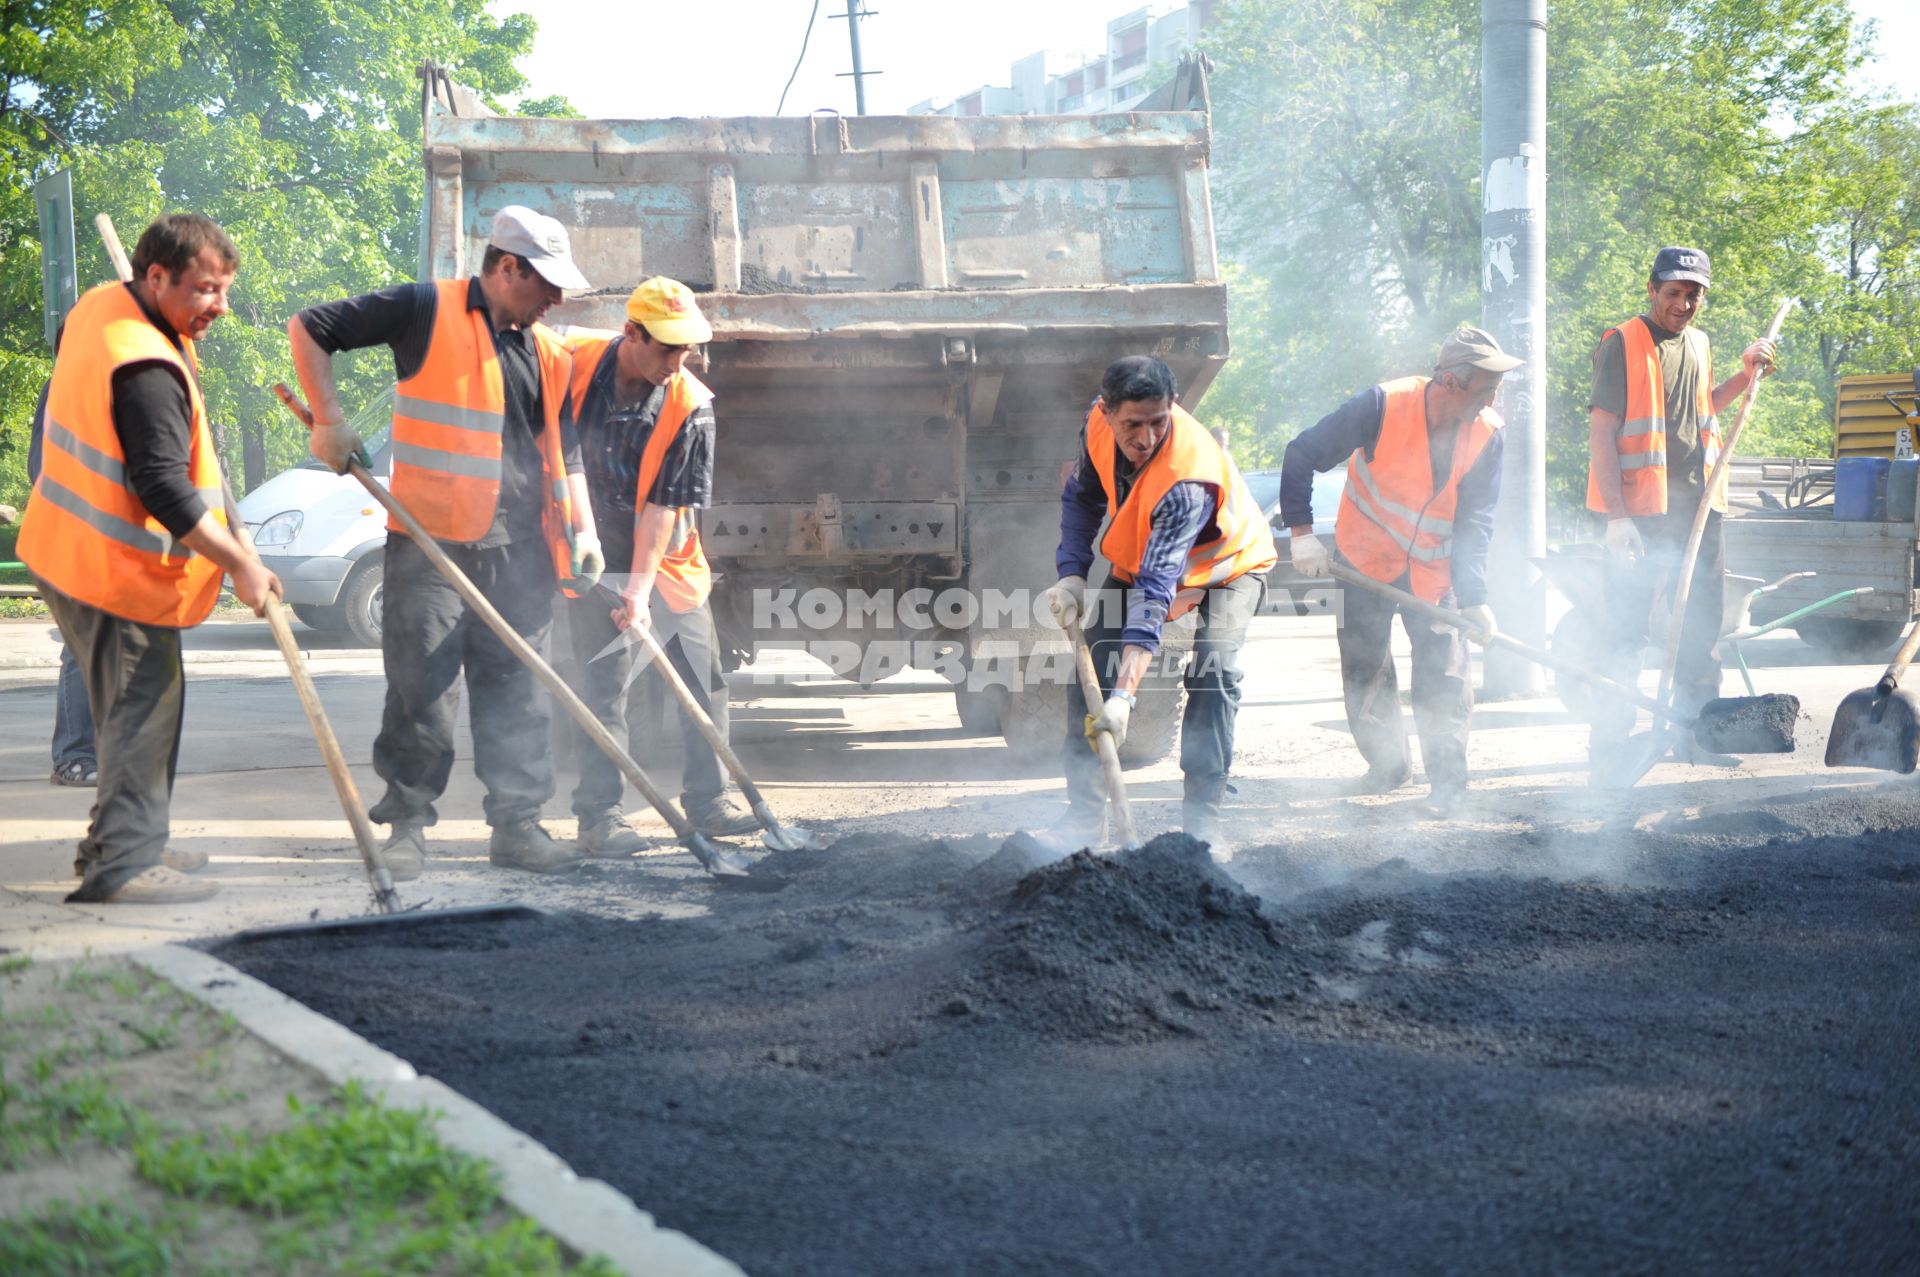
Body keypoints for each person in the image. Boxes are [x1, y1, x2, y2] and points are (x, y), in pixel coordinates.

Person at [289, 206, 604, 879]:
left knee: (519, 692)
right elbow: (311, 327)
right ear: (506, 266)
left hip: (520, 552)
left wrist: (587, 531)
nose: (554, 299)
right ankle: (406, 826)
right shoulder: (425, 309)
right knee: (422, 691)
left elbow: (564, 452)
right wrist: (329, 421)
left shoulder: (551, 353)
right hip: (430, 545)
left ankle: (517, 826)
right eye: (544, 284)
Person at [17, 213, 281, 904]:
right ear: (155, 276)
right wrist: (243, 565)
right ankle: (126, 864)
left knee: (127, 709)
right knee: (141, 705)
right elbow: (164, 487)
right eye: (205, 290)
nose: (219, 307)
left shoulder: (100, 308)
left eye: (224, 290)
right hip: (108, 566)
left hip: (64, 545)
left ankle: (120, 842)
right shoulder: (145, 365)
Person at [1280, 326, 1516, 815]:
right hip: (1363, 560)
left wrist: (1475, 597)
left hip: (1433, 572)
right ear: (1451, 382)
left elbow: (1476, 521)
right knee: (1366, 668)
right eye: (1487, 387)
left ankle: (1449, 786)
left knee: (1445, 673)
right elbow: (1301, 453)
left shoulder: (1488, 432)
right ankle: (1387, 766)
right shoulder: (1380, 407)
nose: (1495, 398)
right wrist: (1302, 533)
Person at [1046, 355, 1278, 849]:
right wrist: (1072, 576)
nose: (1147, 439)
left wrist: (1125, 698)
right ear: (1107, 411)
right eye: (1133, 424)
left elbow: (1154, 596)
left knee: (1215, 670)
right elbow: (1083, 498)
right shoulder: (1096, 425)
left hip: (1228, 564)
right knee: (1090, 667)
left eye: (1158, 422)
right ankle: (1086, 815)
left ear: (1172, 408)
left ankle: (1201, 824)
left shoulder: (1186, 478)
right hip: (1143, 559)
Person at [559, 278, 759, 849]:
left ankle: (710, 803)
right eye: (668, 348)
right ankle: (599, 818)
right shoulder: (572, 364)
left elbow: (663, 509)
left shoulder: (691, 407)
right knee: (605, 687)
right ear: (632, 333)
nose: (680, 361)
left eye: (687, 349)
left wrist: (640, 593)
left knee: (703, 681)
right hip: (590, 550)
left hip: (664, 557)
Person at [1585, 246, 1775, 780]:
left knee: (1700, 629)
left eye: (1694, 295)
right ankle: (1609, 744)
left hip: (1699, 512)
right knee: (1624, 632)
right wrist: (1617, 518)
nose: (1684, 303)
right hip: (1641, 517)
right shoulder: (1623, 342)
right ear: (1652, 290)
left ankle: (1700, 733)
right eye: (1674, 292)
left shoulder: (1700, 342)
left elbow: (1702, 409)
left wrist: (1744, 375)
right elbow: (1602, 430)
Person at [26, 367, 99, 788]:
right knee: (82, 646)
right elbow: (43, 468)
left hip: (119, 544)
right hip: (76, 537)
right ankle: (73, 756)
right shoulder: (67, 386)